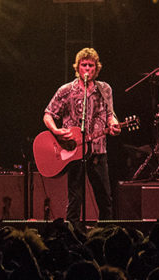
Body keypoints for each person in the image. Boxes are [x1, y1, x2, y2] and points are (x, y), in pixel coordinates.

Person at [44, 48, 121, 221]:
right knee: (75, 199)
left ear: (96, 68)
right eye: (84, 65)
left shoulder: (104, 89)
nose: (87, 68)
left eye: (91, 65)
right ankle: (73, 233)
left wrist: (113, 123)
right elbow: (48, 114)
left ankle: (105, 232)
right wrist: (56, 131)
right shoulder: (66, 90)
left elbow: (110, 114)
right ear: (77, 67)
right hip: (74, 151)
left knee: (105, 198)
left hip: (98, 150)